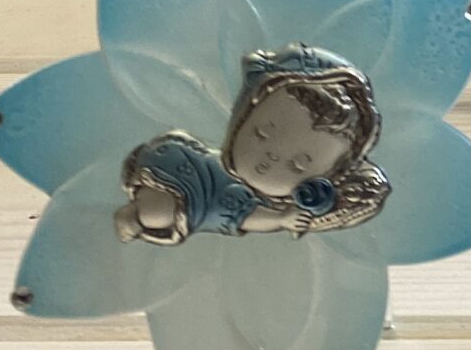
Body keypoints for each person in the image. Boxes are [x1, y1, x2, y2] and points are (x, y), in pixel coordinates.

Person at [115, 46, 389, 244]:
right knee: (157, 213)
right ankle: (134, 213)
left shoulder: (252, 198)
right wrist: (280, 220)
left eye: (296, 165)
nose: (271, 156)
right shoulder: (241, 199)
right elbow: (246, 217)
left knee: (164, 212)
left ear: (321, 180)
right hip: (181, 171)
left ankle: (138, 211)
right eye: (261, 133)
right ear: (244, 114)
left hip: (186, 178)